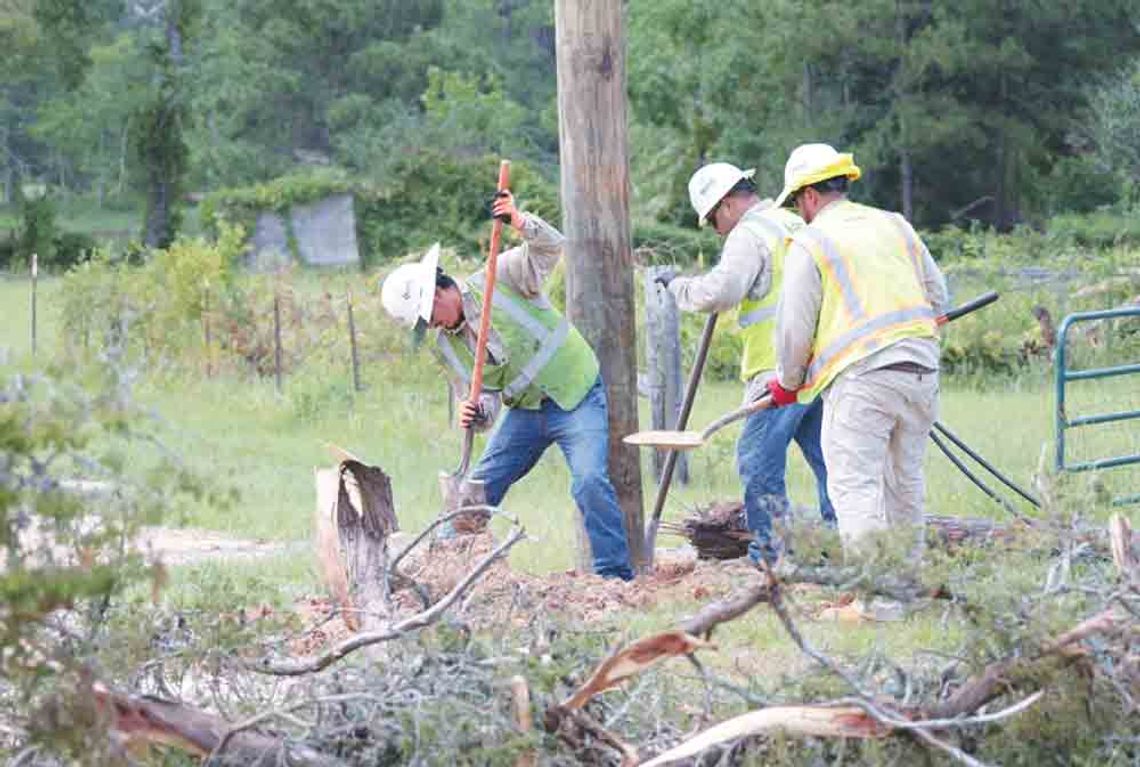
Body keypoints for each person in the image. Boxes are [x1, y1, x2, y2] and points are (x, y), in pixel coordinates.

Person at [379, 191, 634, 581]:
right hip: (526, 414)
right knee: (476, 491)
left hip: (574, 396)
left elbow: (551, 246)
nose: (430, 325)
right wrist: (477, 411)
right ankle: (440, 571)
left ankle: (616, 578)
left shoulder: (499, 277)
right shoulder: (448, 345)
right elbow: (487, 397)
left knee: (588, 481)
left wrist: (518, 220)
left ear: (440, 291)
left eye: (427, 315)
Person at [768, 143, 949, 565]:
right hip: (921, 369)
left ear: (809, 196)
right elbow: (938, 299)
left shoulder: (812, 241)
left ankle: (877, 597)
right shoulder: (895, 225)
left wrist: (788, 383)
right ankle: (904, 587)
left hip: (863, 379)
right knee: (904, 484)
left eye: (798, 204)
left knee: (855, 486)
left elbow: (794, 331)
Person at [657, 162, 834, 565]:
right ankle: (844, 544)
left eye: (714, 219)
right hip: (821, 365)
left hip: (778, 369)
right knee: (830, 459)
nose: (717, 230)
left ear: (728, 204)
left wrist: (679, 288)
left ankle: (771, 554)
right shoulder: (793, 223)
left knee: (757, 459)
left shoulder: (748, 234)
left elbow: (723, 291)